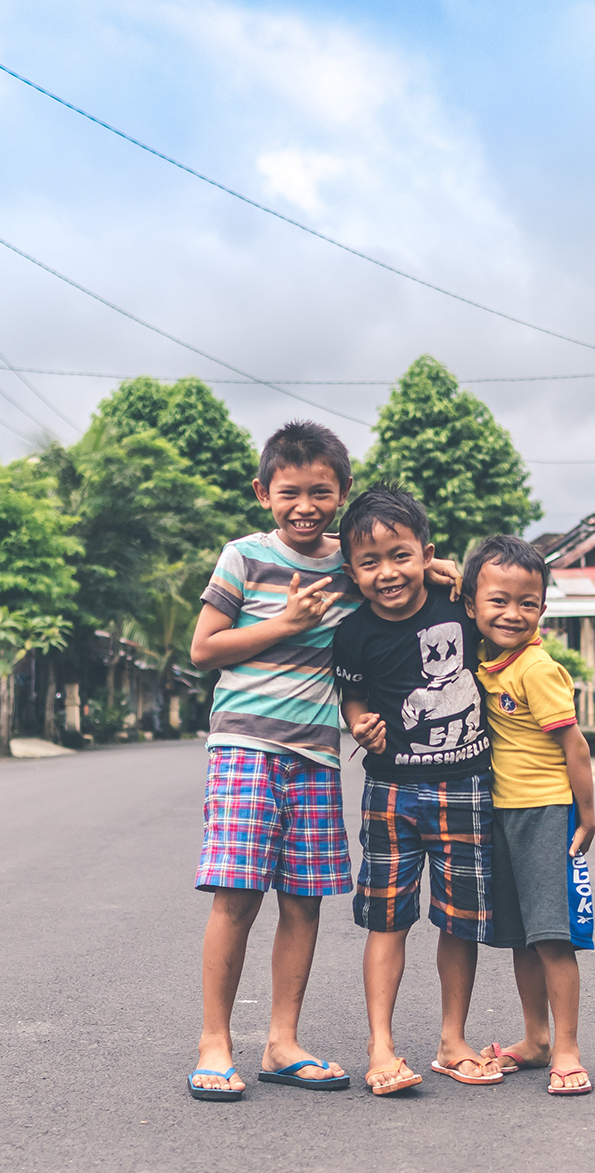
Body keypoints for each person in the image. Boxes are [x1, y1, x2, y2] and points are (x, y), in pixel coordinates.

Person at [184, 420, 361, 1101]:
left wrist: (438, 568)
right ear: (263, 493)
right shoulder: (244, 556)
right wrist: (285, 626)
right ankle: (214, 1043)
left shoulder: (350, 564)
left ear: (343, 491)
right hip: (244, 748)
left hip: (317, 755)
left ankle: (282, 1041)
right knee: (237, 896)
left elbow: (402, 574)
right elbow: (204, 648)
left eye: (321, 491)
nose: (305, 506)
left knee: (305, 900)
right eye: (290, 492)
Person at [334, 484, 505, 1096]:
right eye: (370, 562)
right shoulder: (353, 635)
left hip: (466, 785)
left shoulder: (457, 603)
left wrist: (458, 576)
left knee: (458, 919)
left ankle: (452, 1040)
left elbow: (511, 620)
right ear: (351, 572)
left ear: (426, 553)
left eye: (401, 555)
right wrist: (358, 722)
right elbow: (352, 693)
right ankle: (381, 1046)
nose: (388, 572)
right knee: (389, 920)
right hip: (390, 792)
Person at [465, 535, 595, 1097]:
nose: (512, 613)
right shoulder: (484, 658)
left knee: (553, 935)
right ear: (471, 607)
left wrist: (585, 817)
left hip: (545, 812)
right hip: (503, 814)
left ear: (543, 609)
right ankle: (535, 1038)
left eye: (528, 603)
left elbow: (576, 746)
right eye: (498, 601)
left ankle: (566, 1049)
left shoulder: (537, 669)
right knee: (521, 935)